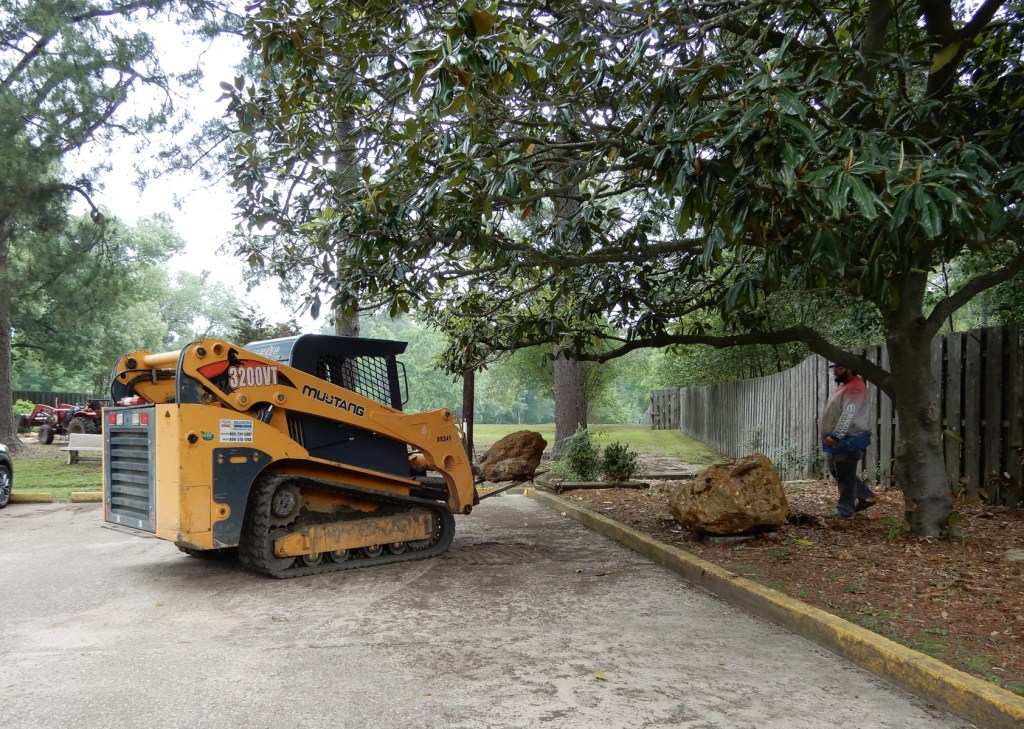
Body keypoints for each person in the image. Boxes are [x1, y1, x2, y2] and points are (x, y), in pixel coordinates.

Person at [819, 362, 877, 518]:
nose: (835, 371)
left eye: (840, 368)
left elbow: (848, 416)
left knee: (845, 476)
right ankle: (866, 496)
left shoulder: (855, 389)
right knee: (836, 469)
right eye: (834, 368)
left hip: (848, 440)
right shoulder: (844, 386)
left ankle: (845, 511)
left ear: (850, 369)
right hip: (841, 441)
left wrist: (835, 436)